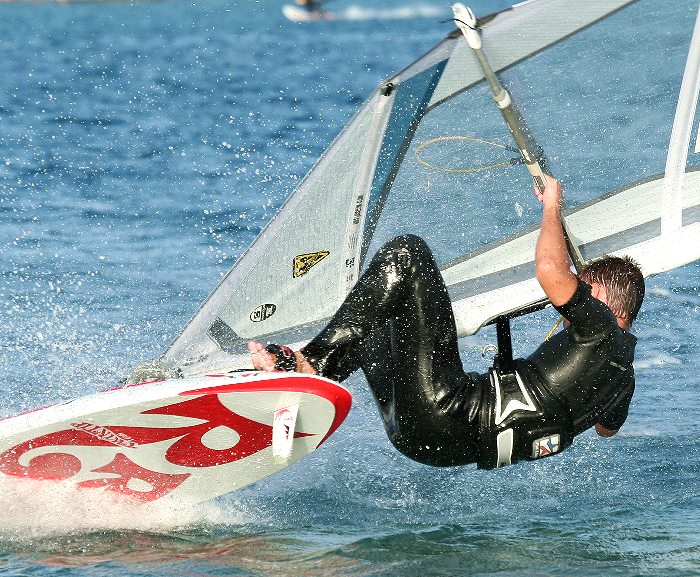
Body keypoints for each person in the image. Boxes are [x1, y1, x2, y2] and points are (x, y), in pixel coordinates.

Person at [249, 175, 645, 469]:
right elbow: (606, 430)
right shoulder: (623, 381)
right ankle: (309, 380)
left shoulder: (599, 326)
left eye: (581, 288)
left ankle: (310, 363)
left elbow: (548, 270)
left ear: (599, 297)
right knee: (380, 312)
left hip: (442, 409)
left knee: (407, 255)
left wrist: (552, 206)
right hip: (434, 447)